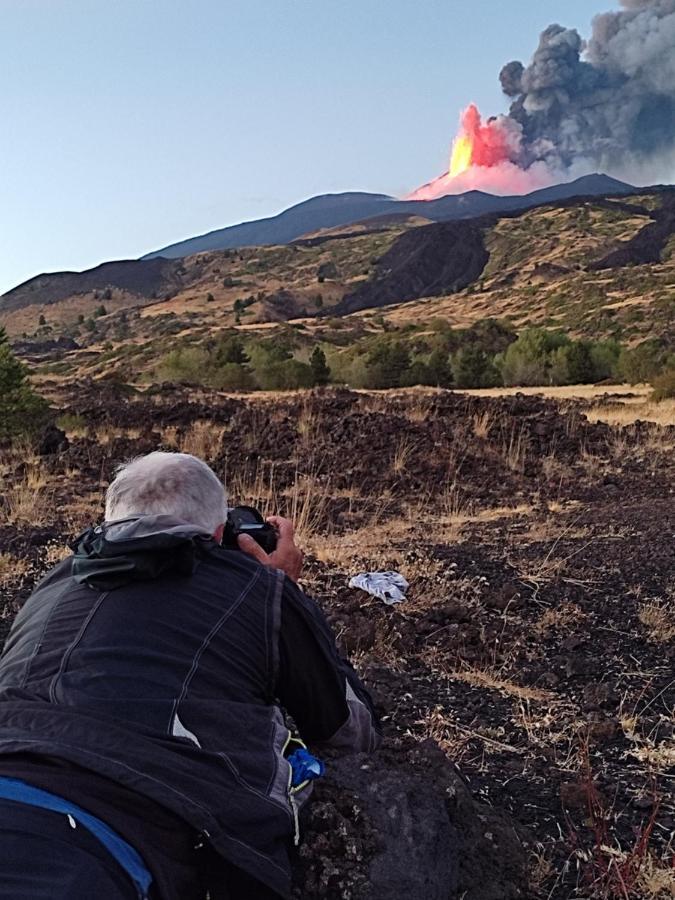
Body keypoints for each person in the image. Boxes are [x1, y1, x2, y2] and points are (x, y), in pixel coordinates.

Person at [0, 451, 380, 899]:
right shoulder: (262, 591)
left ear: (110, 520)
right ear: (219, 534)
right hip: (128, 825)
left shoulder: (54, 583)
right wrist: (288, 595)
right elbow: (346, 731)